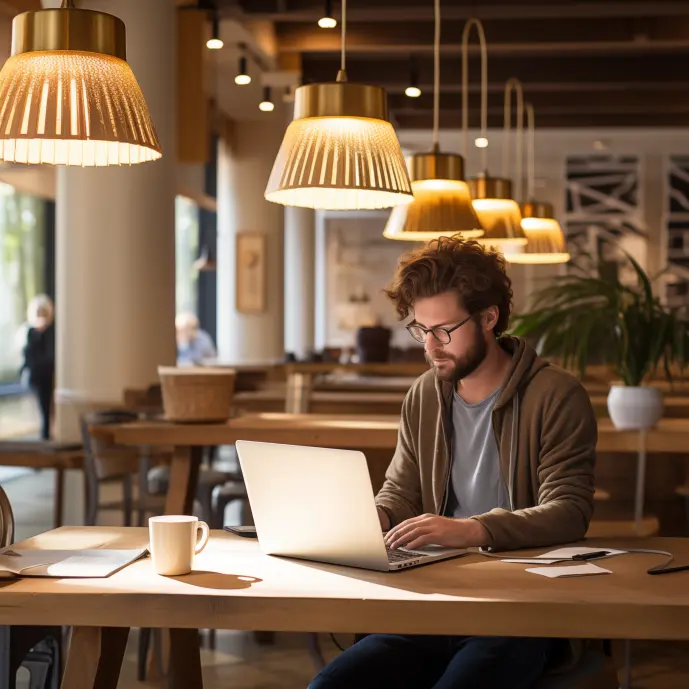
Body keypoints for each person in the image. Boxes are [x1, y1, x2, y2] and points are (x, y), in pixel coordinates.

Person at [308, 236, 597, 689]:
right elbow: (400, 490)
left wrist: (473, 529)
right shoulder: (424, 394)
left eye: (444, 330)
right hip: (433, 598)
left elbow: (570, 512)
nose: (431, 345)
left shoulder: (556, 395)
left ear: (488, 317)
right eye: (421, 329)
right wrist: (373, 517)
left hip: (521, 608)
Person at [20, 294, 55, 440]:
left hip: (48, 374)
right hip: (37, 375)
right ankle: (44, 432)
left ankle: (46, 432)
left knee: (47, 406)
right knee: (42, 405)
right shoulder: (30, 332)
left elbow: (51, 354)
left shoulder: (51, 332)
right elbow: (28, 353)